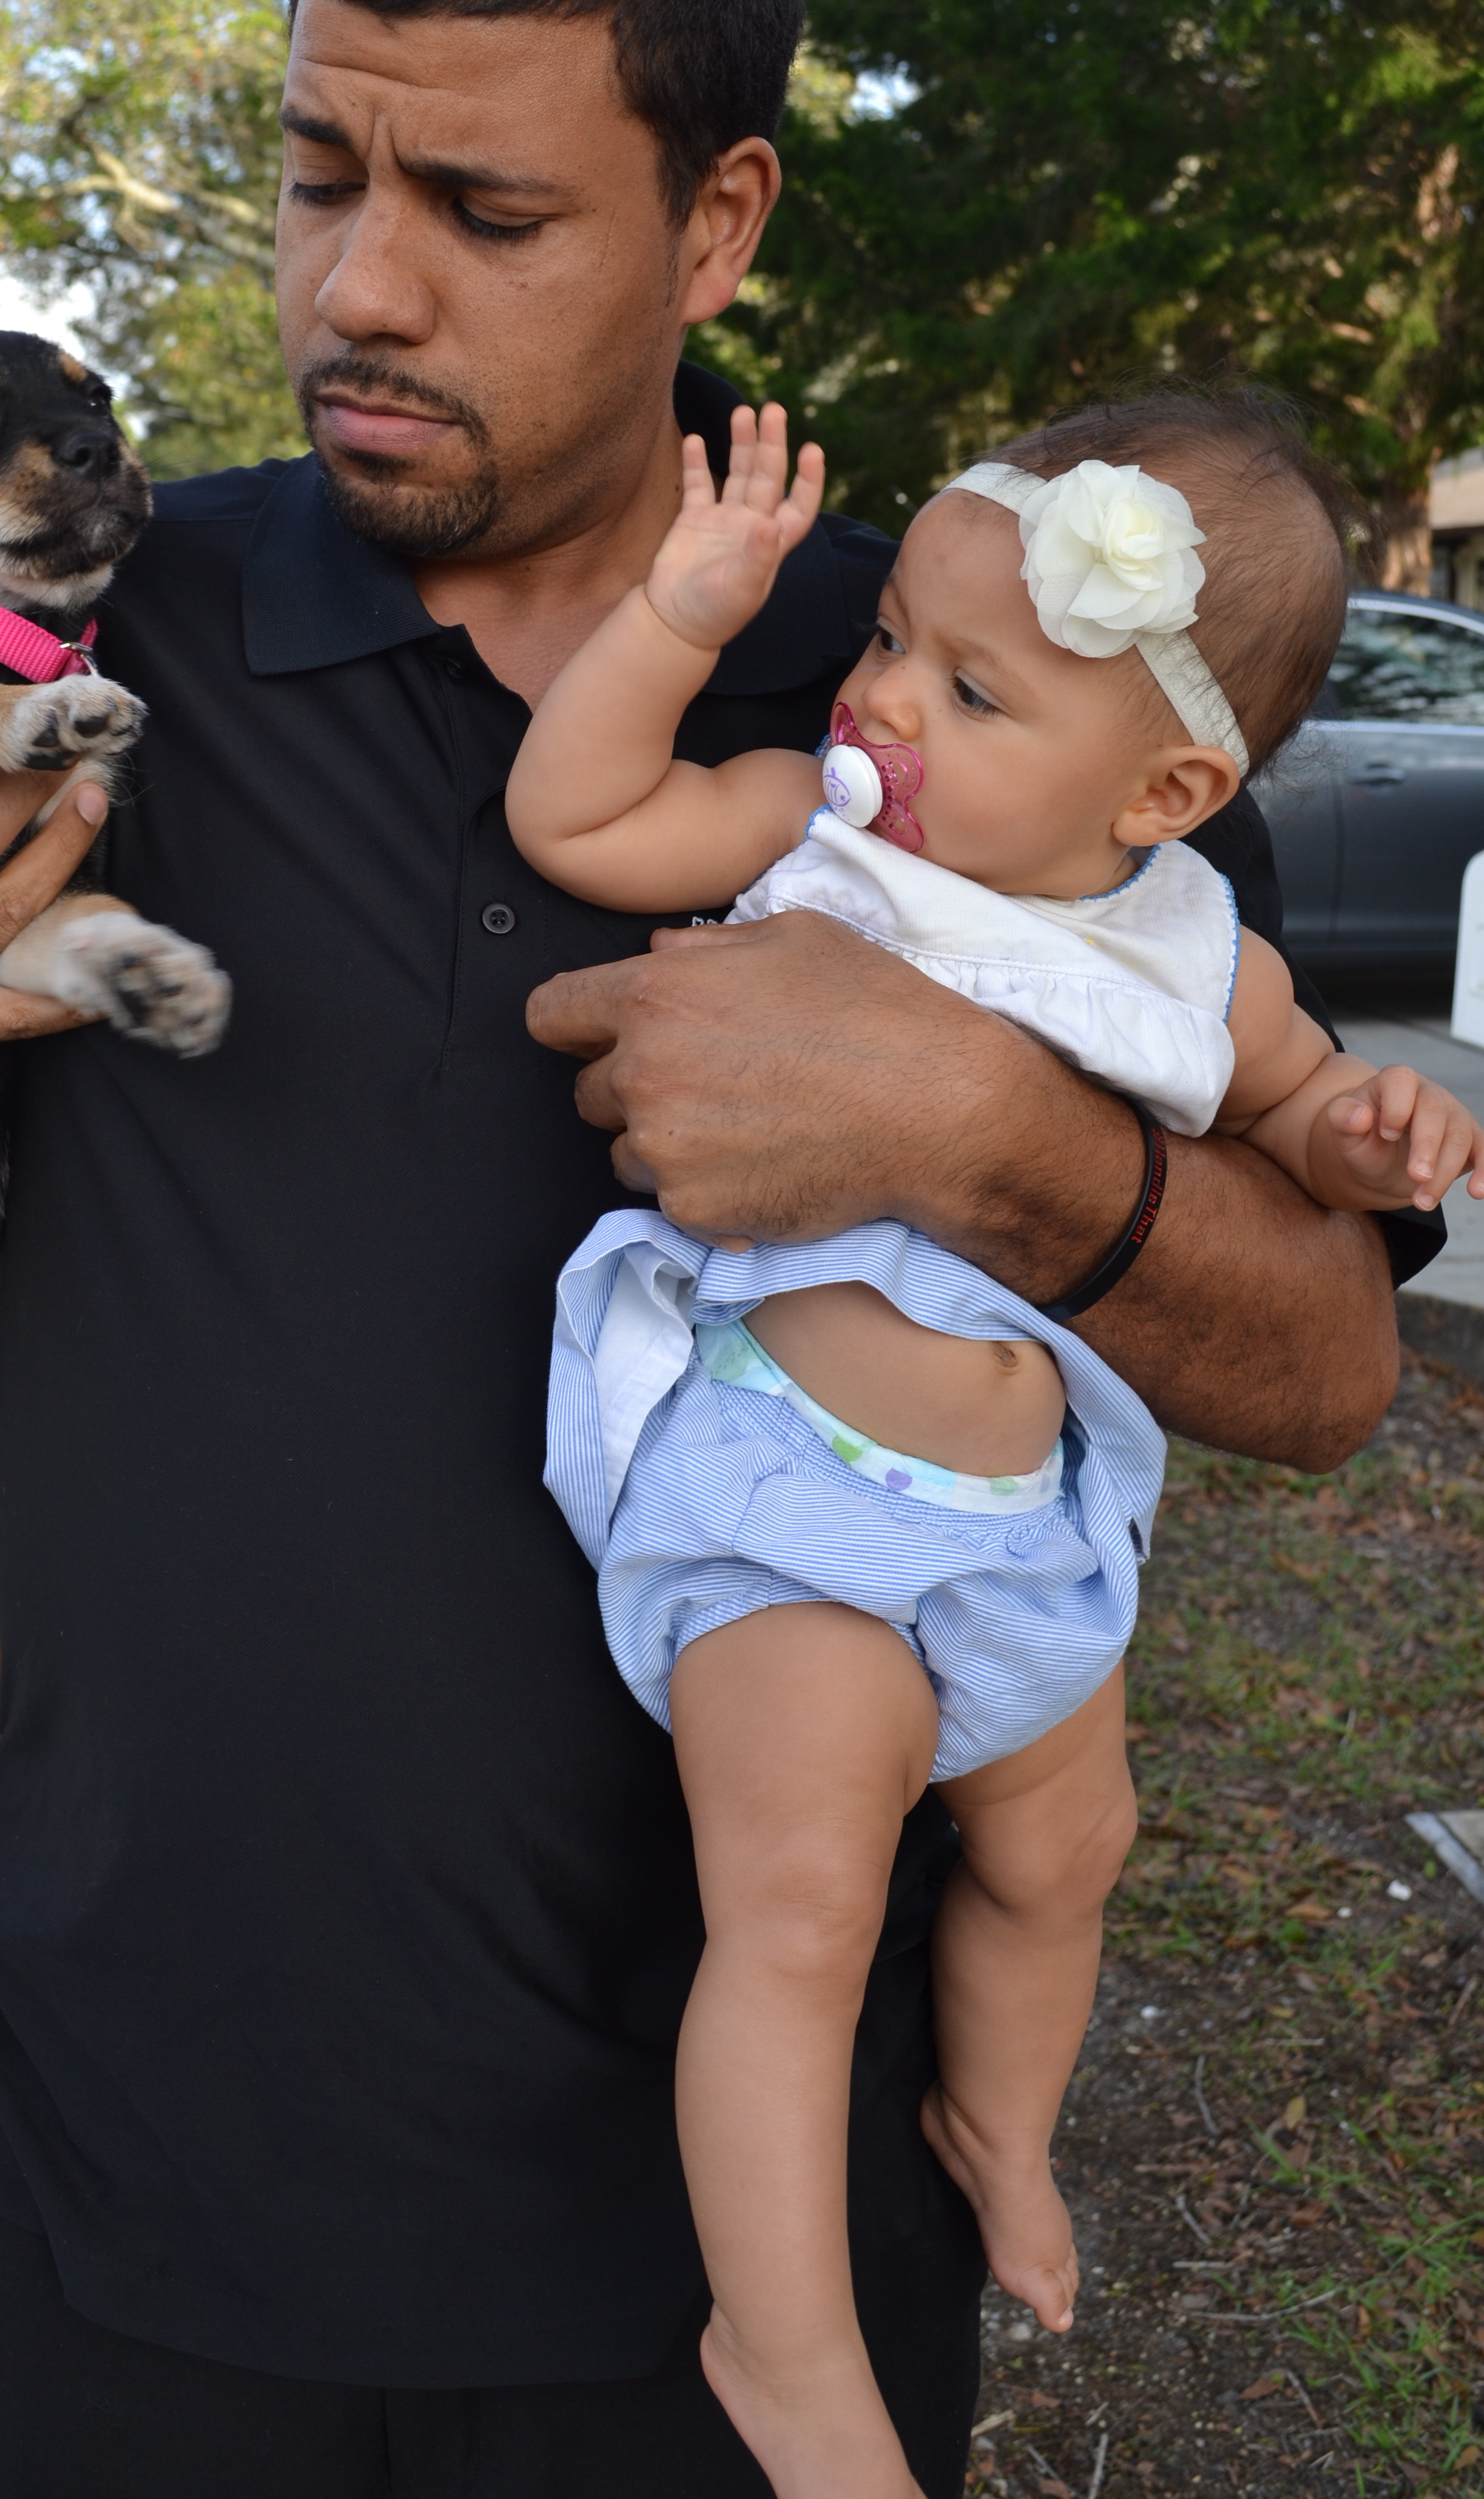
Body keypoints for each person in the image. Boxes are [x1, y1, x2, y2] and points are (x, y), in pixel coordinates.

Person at [0, 0, 1438, 2499]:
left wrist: (981, 1133)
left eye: (483, 214)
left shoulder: (957, 720)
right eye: (311, 172)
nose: (357, 285)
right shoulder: (131, 635)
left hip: (724, 2271)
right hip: (99, 2199)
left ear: (715, 221)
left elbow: (1328, 1363)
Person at [506, 393, 1483, 2495]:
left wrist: (1368, 1126)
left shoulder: (1194, 962)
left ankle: (1003, 2138)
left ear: (1171, 787)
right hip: (789, 1509)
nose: (884, 700)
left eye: (971, 685)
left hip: (1027, 1536)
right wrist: (683, 622)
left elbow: (1295, 1108)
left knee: (1066, 1856)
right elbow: (582, 823)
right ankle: (785, 2354)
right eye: (887, 642)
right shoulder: (814, 841)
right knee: (797, 1910)